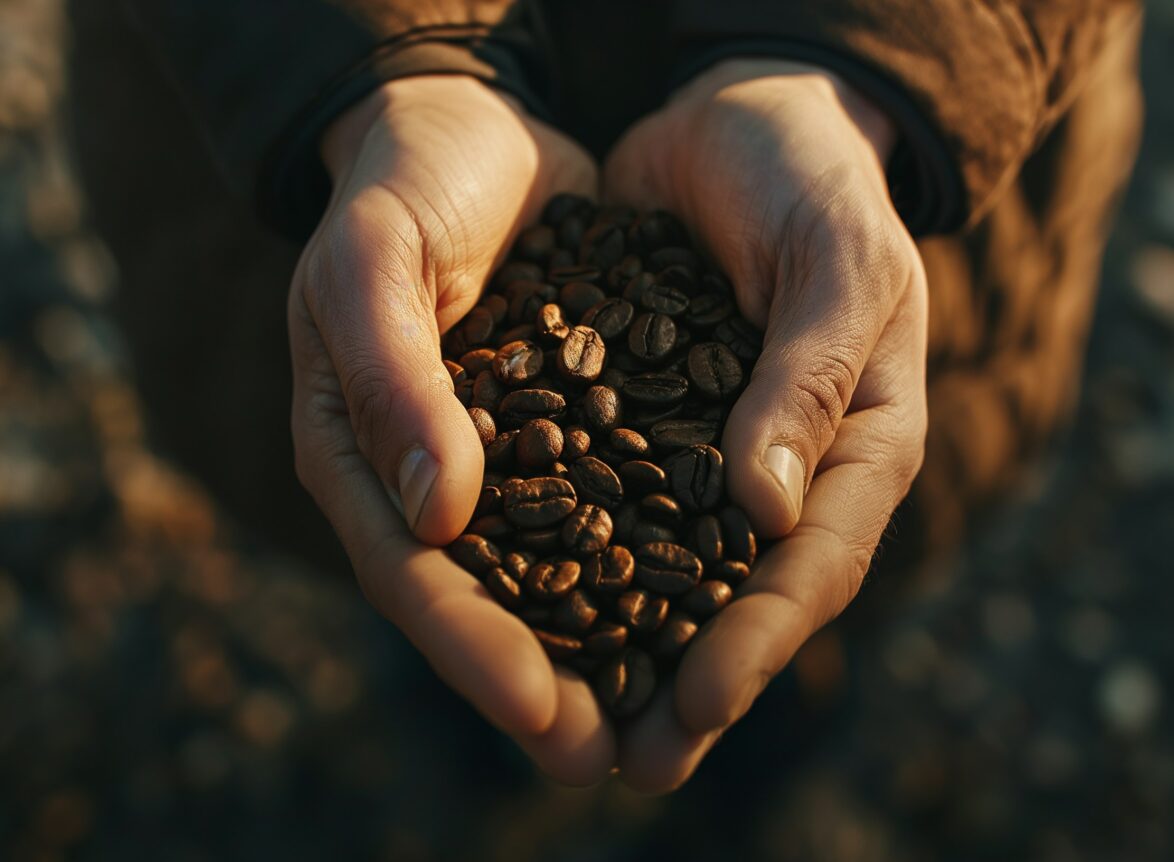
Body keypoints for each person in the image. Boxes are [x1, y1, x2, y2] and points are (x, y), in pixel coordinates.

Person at [69, 1, 1143, 793]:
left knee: (810, 577)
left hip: (919, 139)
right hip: (289, 108)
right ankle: (475, 718)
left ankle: (767, 739)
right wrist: (381, 65)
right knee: (407, 481)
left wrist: (852, 66)